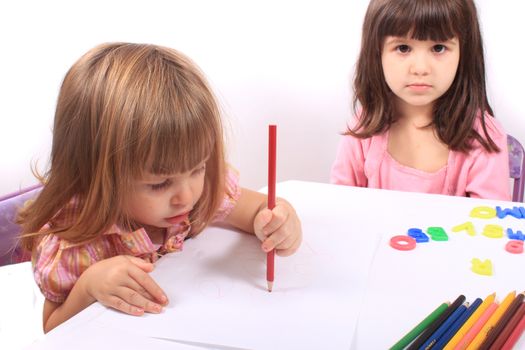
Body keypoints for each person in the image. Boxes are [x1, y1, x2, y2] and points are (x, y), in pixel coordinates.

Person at [17, 42, 302, 332]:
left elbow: (255, 208)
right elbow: (52, 331)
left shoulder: (193, 198)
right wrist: (89, 287)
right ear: (95, 176)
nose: (186, 196)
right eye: (159, 183)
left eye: (198, 168)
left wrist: (276, 220)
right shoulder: (73, 244)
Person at [330, 0, 510, 200]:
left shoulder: (484, 138)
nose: (420, 68)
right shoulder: (364, 128)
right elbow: (340, 207)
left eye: (439, 48)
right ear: (377, 52)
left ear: (464, 54)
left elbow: (490, 227)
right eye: (403, 48)